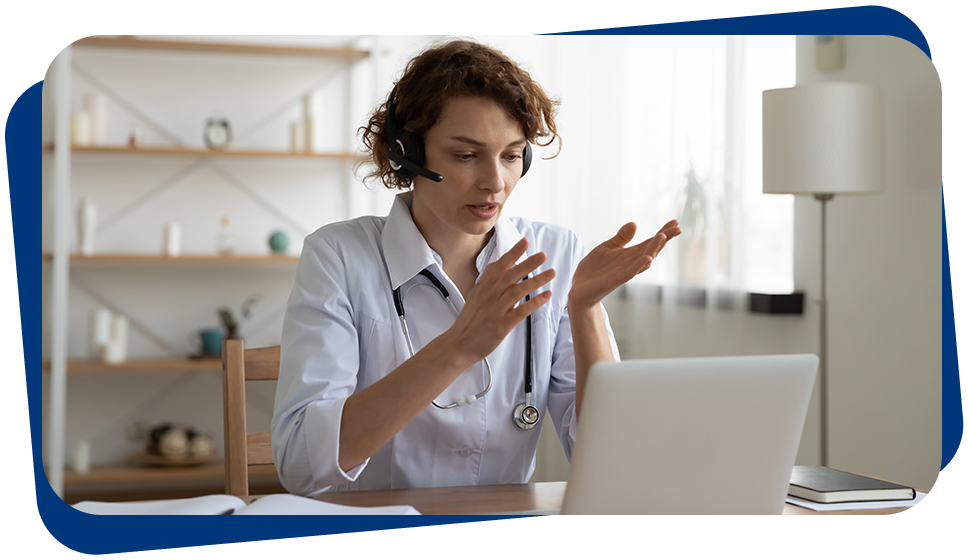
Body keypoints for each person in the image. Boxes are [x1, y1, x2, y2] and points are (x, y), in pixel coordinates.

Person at [271, 39, 681, 496]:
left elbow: (612, 464)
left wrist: (584, 311)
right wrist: (459, 347)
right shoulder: (338, 256)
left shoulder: (556, 253)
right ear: (408, 152)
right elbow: (301, 467)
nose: (495, 182)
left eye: (511, 155)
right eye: (466, 155)